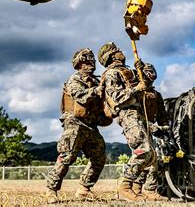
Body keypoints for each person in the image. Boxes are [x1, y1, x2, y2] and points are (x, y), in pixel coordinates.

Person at [45, 48, 106, 204]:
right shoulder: (75, 79)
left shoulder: (96, 81)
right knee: (66, 157)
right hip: (74, 124)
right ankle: (51, 190)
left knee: (99, 157)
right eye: (86, 61)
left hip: (91, 126)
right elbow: (81, 96)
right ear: (79, 64)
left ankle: (84, 190)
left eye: (92, 61)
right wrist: (97, 90)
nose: (91, 64)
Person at [97, 42, 153, 202]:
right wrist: (137, 89)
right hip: (128, 114)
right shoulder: (111, 74)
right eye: (117, 50)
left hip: (140, 113)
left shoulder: (127, 71)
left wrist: (142, 71)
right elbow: (116, 97)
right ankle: (125, 187)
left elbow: (147, 83)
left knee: (151, 155)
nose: (121, 51)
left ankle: (137, 189)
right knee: (143, 150)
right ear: (111, 56)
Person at [133, 62, 170, 201]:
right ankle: (137, 188)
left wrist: (165, 128)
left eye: (152, 71)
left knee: (153, 158)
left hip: (150, 129)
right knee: (145, 157)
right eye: (147, 72)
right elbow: (132, 114)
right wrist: (149, 125)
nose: (151, 75)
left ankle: (141, 189)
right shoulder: (136, 92)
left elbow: (162, 115)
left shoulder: (156, 94)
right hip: (137, 129)